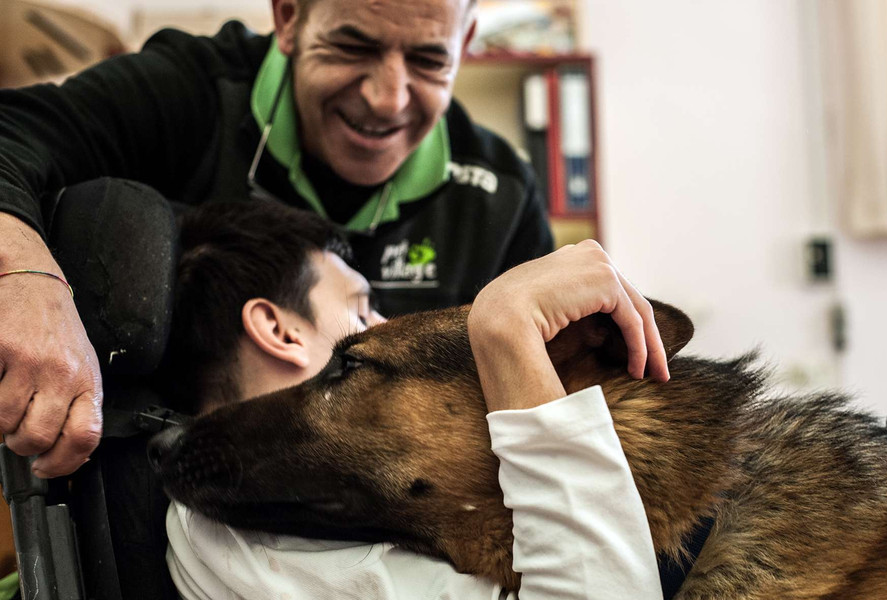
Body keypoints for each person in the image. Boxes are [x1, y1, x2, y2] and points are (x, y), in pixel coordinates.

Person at [0, 0, 667, 482]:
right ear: (288, 17)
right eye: (354, 46)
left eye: (430, 59)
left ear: (466, 40)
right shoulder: (189, 93)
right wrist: (24, 279)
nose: (387, 96)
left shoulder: (499, 193)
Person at [163, 200, 663, 599]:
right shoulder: (232, 525)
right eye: (361, 312)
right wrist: (506, 325)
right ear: (279, 330)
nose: (382, 327)